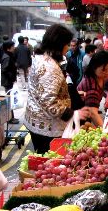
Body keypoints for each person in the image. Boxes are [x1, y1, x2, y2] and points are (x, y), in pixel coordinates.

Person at [23, 25, 88, 154]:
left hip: (36, 120)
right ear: (59, 45)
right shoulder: (50, 67)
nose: (68, 48)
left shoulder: (40, 58)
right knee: (49, 162)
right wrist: (73, 114)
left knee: (42, 159)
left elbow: (43, 91)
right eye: (67, 44)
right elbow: (49, 103)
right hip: (47, 126)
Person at [78, 51, 108, 127]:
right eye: (103, 70)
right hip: (80, 120)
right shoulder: (92, 86)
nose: (107, 73)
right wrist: (105, 133)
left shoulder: (99, 77)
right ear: (94, 67)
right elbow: (93, 113)